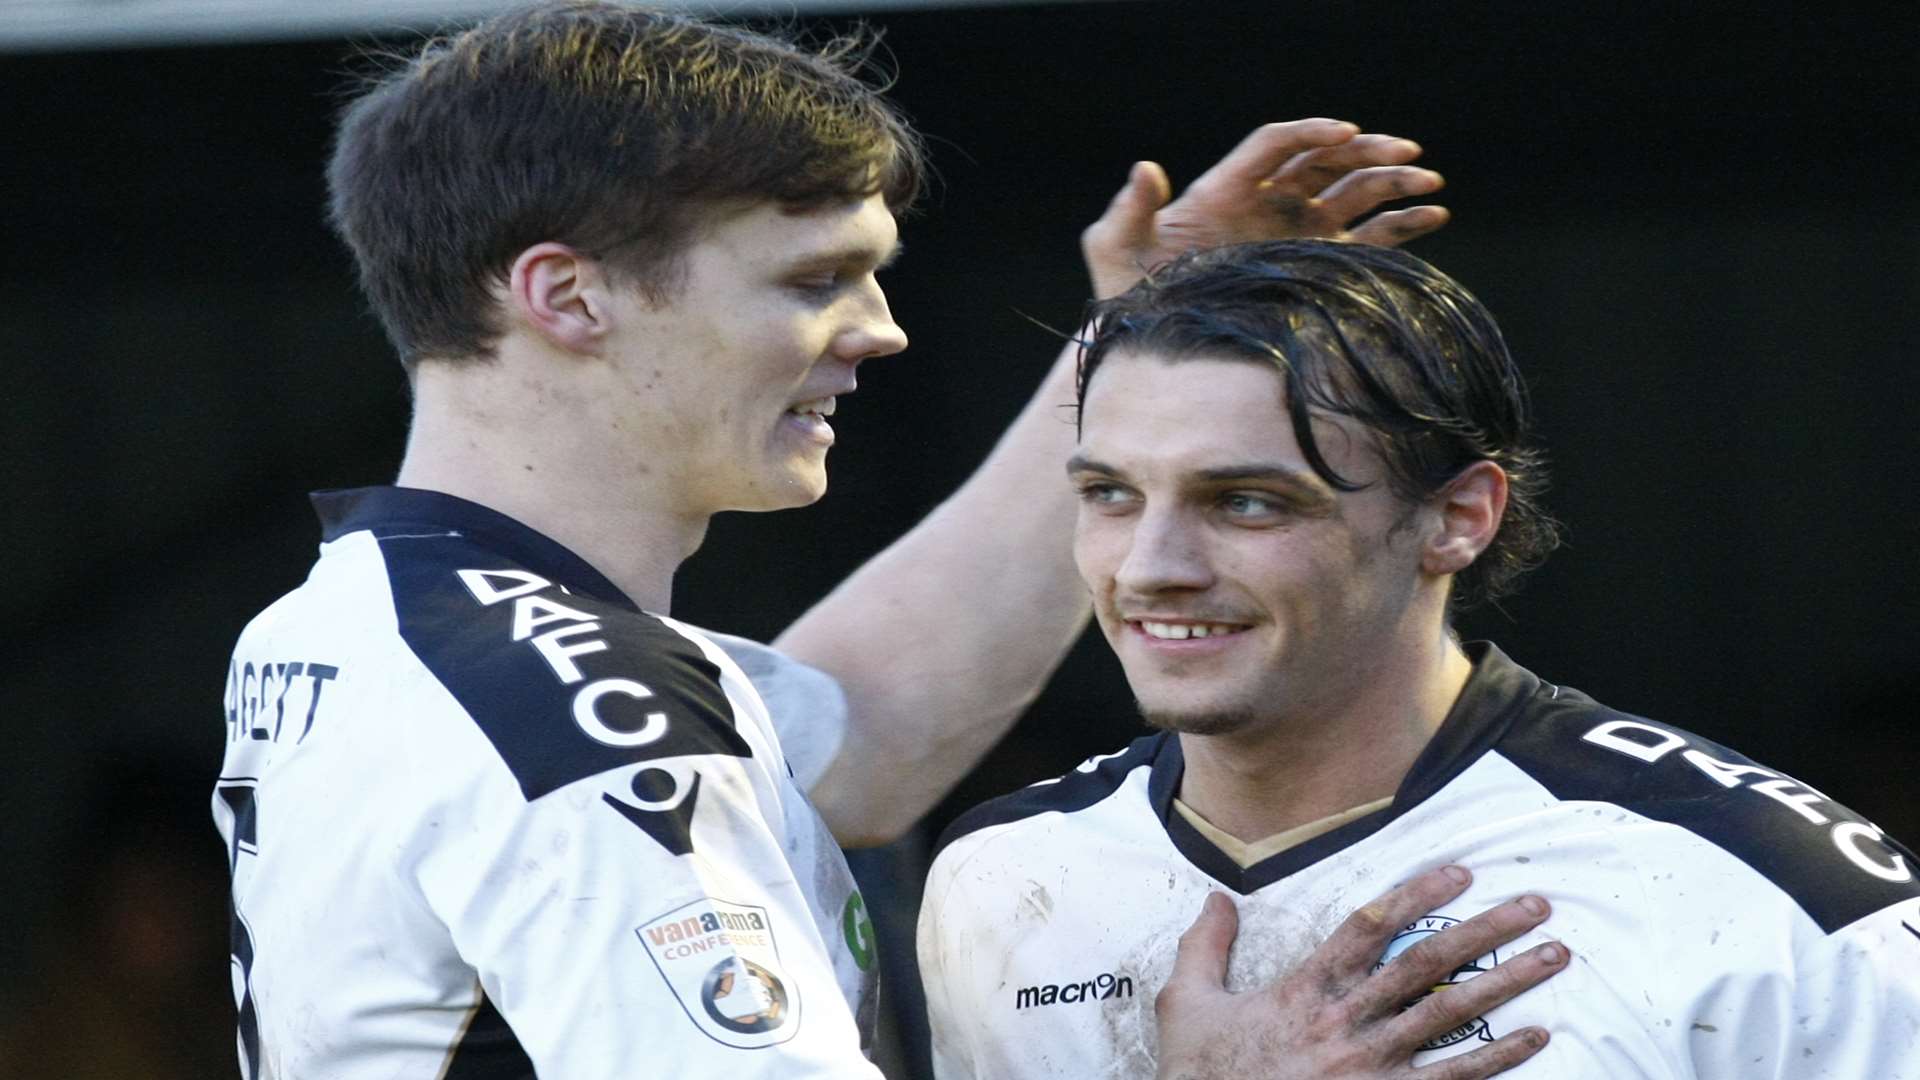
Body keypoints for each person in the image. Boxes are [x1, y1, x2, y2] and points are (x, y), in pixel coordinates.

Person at [215, 3, 1564, 1076]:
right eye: (812, 283)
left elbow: (850, 737)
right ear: (568, 295)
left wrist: (1132, 329)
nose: (879, 331)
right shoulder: (559, 707)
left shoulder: (366, 623)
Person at [918, 238, 1920, 1078]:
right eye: (1110, 495)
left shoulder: (1771, 890)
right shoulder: (1000, 877)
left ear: (1456, 518)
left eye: (1247, 501)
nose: (1153, 566)